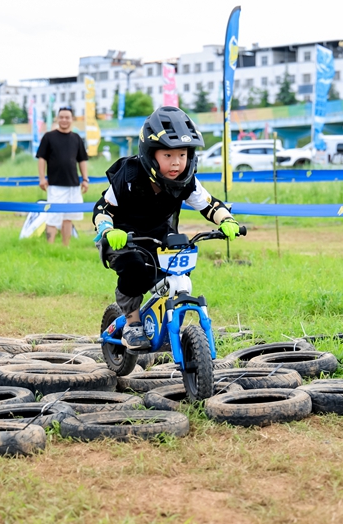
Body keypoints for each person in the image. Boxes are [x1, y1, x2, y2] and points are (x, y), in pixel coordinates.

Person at [92, 106, 240, 350]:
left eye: (182, 155)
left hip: (160, 236)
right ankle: (131, 323)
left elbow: (209, 204)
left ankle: (164, 322)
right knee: (135, 268)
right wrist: (108, 230)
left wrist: (226, 220)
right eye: (168, 156)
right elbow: (102, 209)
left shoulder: (185, 181)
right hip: (123, 237)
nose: (176, 163)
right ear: (150, 155)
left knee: (178, 268)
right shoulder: (129, 177)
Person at [36, 106, 89, 245]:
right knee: (53, 217)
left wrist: (85, 179)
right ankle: (50, 246)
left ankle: (66, 246)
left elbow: (82, 160)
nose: (64, 120)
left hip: (73, 185)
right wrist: (42, 178)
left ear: (72, 119)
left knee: (68, 218)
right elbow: (41, 159)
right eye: (61, 117)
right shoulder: (48, 137)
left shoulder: (76, 138)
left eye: (67, 117)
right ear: (57, 118)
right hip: (55, 185)